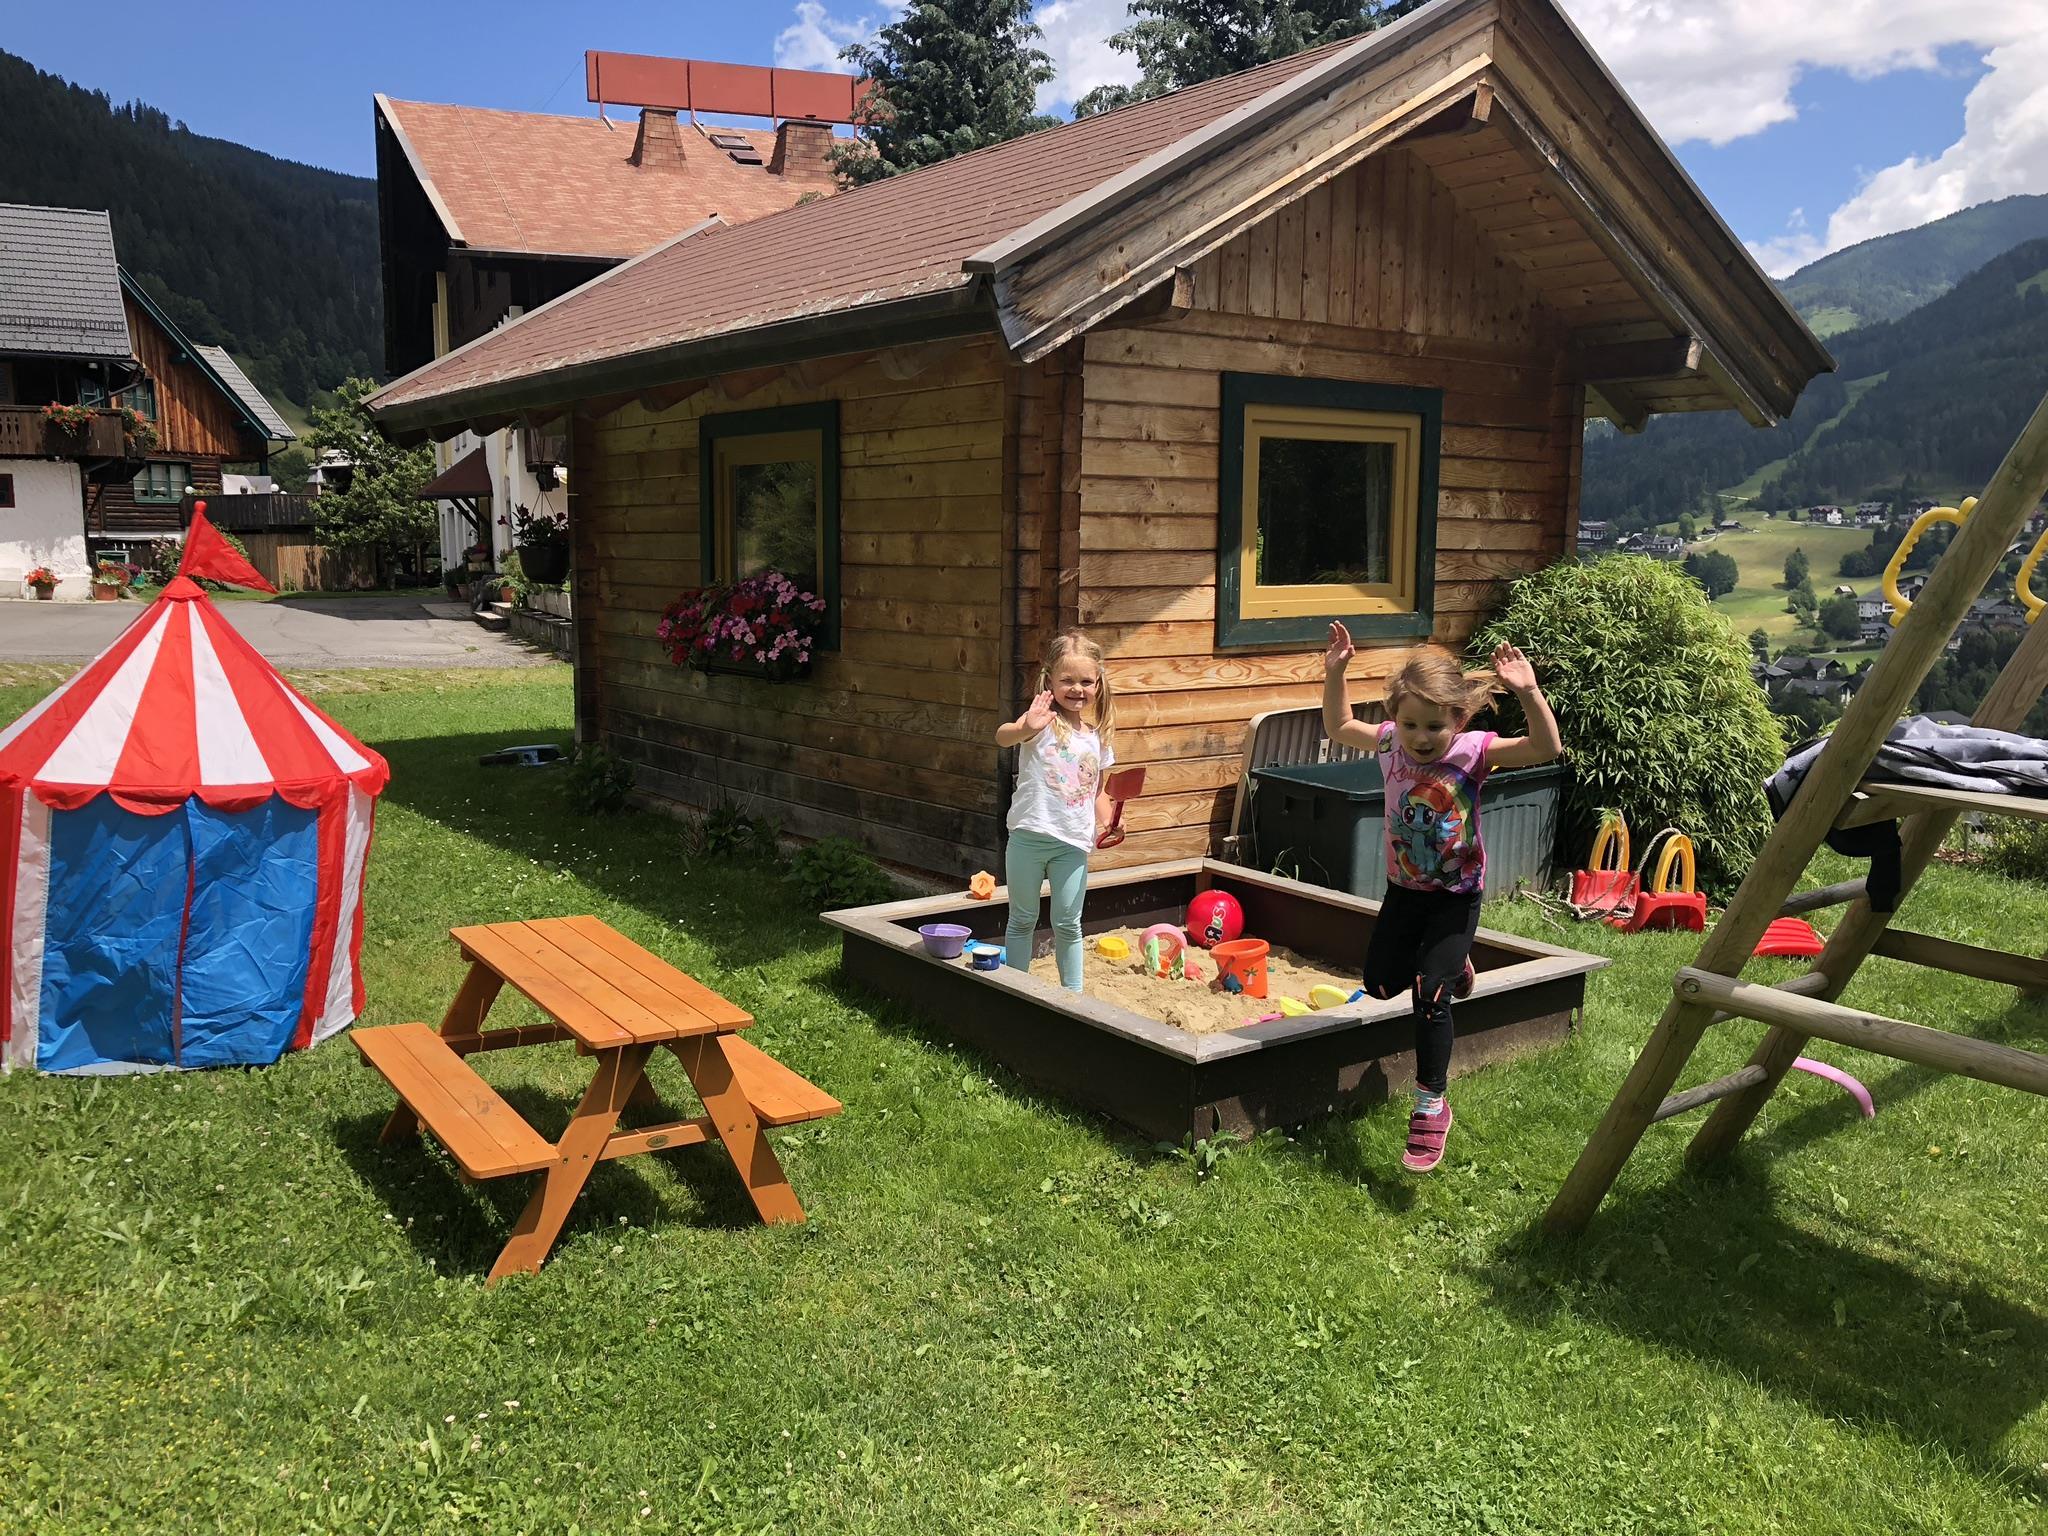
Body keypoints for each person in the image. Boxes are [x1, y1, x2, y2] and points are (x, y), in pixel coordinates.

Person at [1322, 621, 1561, 1172]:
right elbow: (1338, 725)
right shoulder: (1388, 742)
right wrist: (1335, 673)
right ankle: (1452, 966)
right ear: (1395, 717)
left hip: (1455, 896)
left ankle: (1431, 1104)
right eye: (1410, 724)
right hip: (1404, 891)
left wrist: (1528, 691)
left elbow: (1546, 747)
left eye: (1434, 725)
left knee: (1429, 998)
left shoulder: (1476, 752)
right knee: (1381, 985)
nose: (1421, 737)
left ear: (1458, 718)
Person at [996, 631, 1116, 992]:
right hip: (1029, 837)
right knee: (1022, 918)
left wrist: (1109, 820)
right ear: (1050, 681)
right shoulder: (1040, 724)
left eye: (1086, 681)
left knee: (1068, 923)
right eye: (1067, 680)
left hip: (1072, 844)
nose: (1077, 689)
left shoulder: (1096, 737)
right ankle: (1016, 989)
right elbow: (1003, 736)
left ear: (1098, 684)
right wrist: (1024, 726)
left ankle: (1073, 997)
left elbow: (1098, 791)